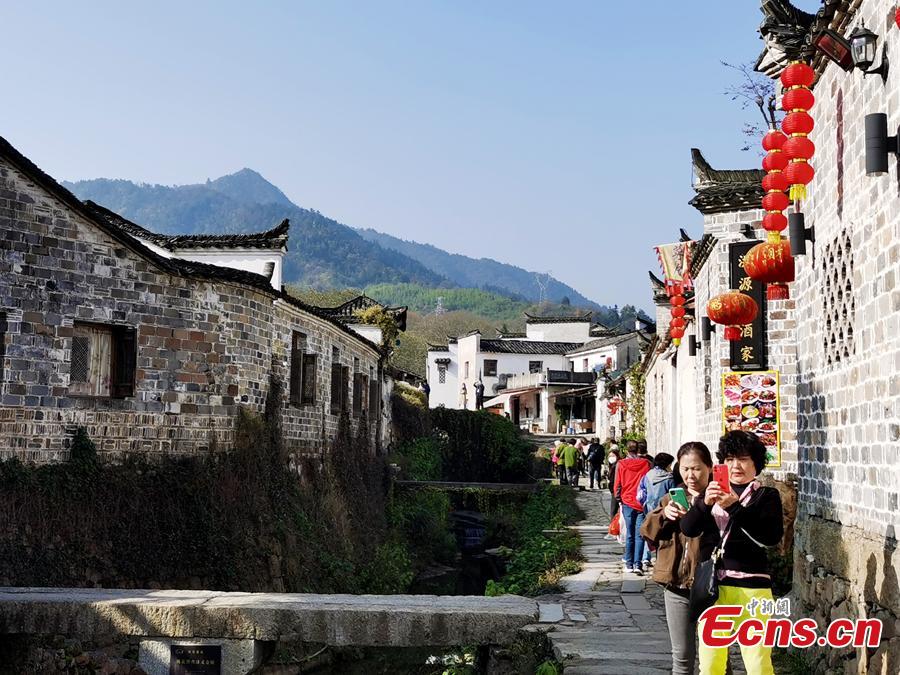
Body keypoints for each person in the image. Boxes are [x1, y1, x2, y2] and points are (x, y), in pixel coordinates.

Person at [680, 431, 784, 675]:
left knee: (758, 663)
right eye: (729, 459)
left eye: (743, 459)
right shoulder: (711, 493)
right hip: (714, 589)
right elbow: (688, 528)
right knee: (710, 665)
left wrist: (734, 506)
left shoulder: (766, 496)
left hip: (753, 589)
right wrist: (705, 503)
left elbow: (770, 536)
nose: (736, 465)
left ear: (756, 463)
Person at [641, 442, 713, 675]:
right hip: (677, 585)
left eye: (697, 468)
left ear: (710, 468)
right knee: (681, 658)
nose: (691, 475)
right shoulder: (671, 498)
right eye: (685, 469)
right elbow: (647, 531)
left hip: (710, 586)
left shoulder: (718, 499)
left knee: (714, 658)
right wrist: (664, 515)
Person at [612, 440, 651, 574]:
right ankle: (638, 564)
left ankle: (629, 564)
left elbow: (617, 483)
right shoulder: (646, 464)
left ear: (626, 450)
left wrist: (618, 498)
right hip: (641, 502)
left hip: (627, 500)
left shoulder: (621, 464)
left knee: (629, 533)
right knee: (640, 534)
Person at [638, 452, 675, 569]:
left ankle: (645, 558)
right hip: (664, 509)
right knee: (662, 535)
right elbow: (673, 494)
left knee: (649, 531)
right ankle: (660, 559)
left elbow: (642, 491)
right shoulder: (669, 478)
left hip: (649, 508)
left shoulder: (648, 475)